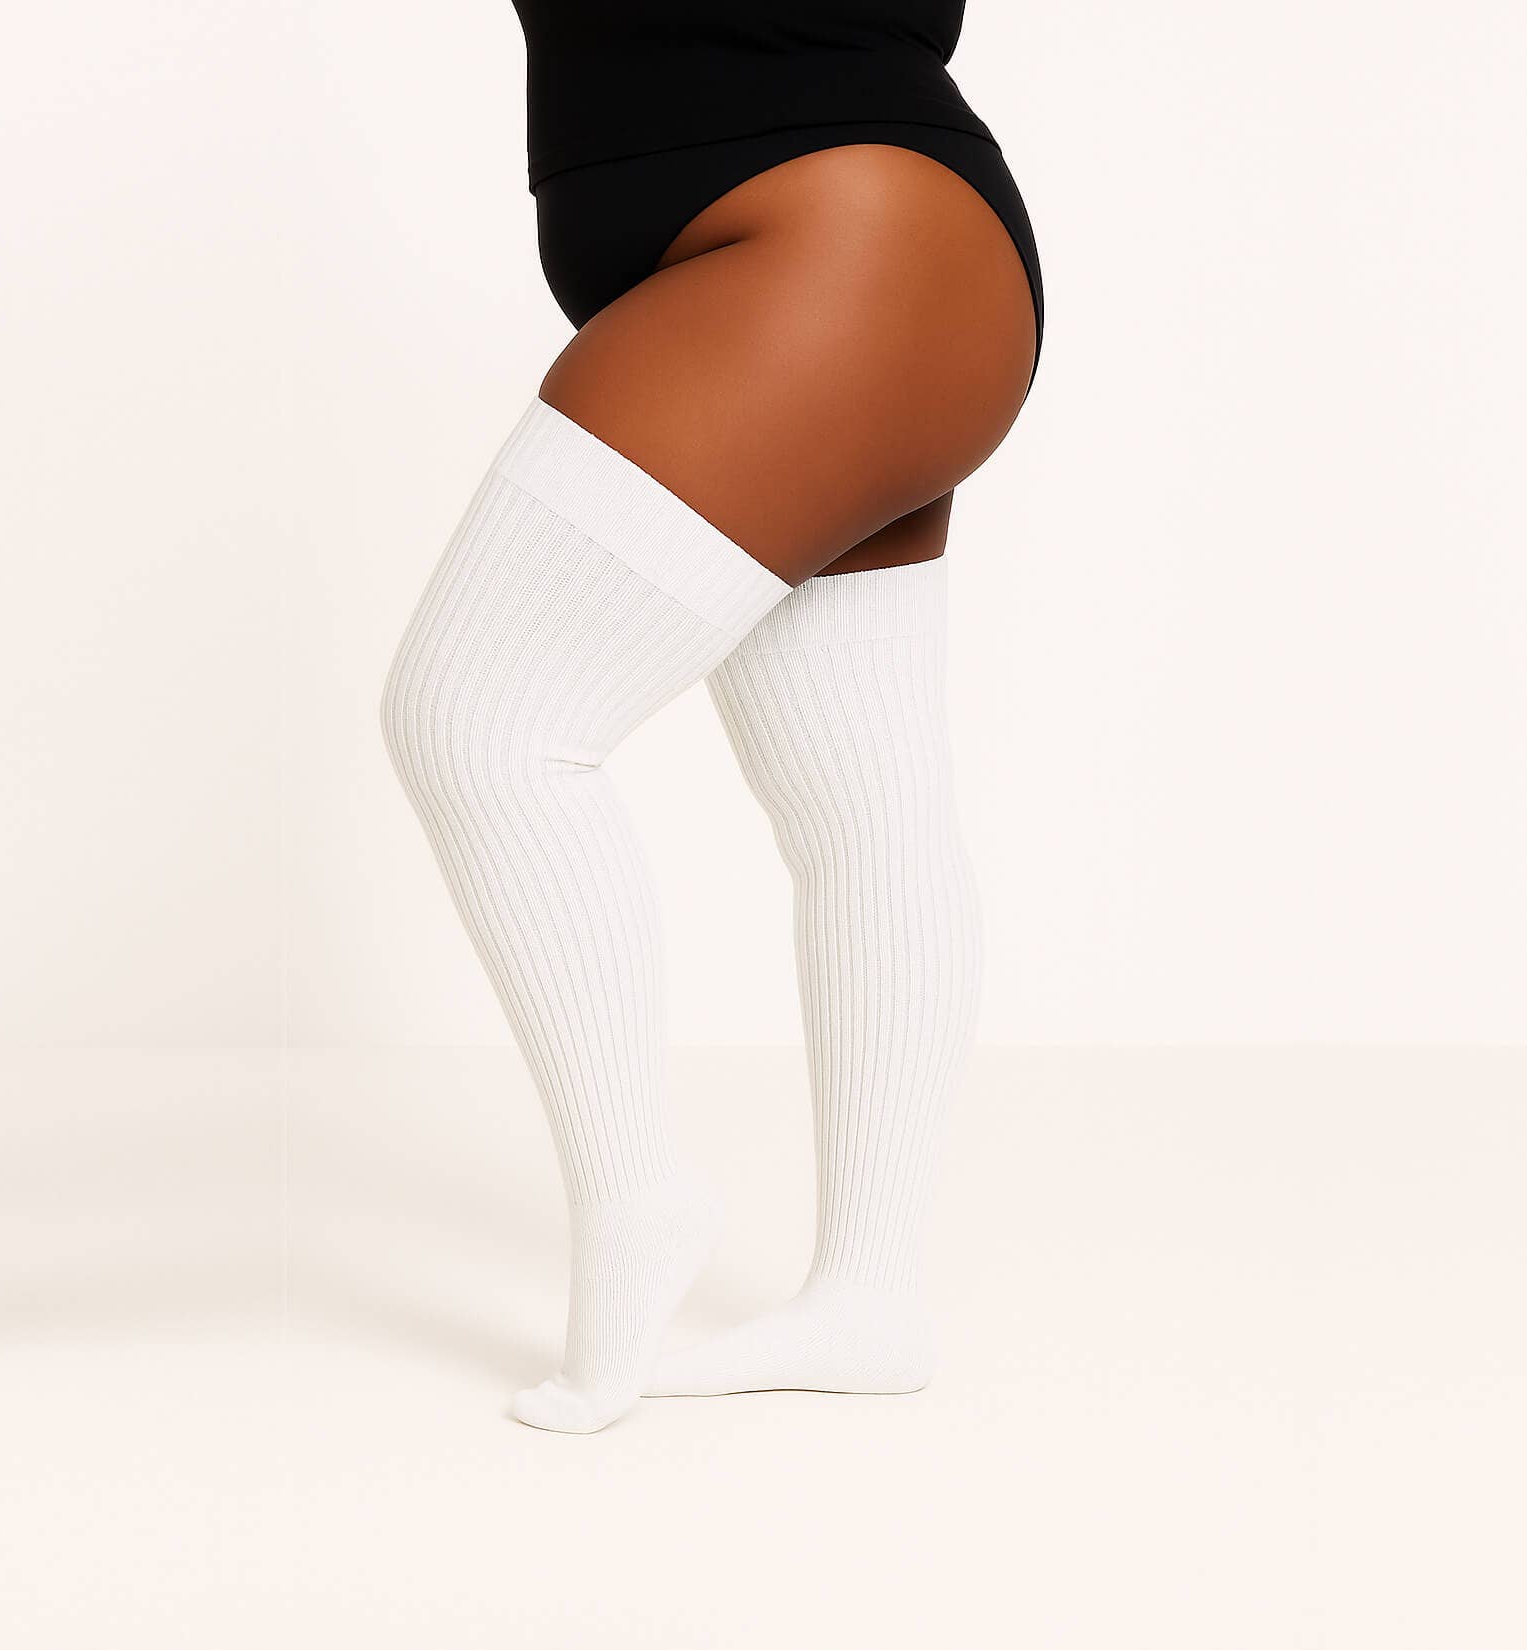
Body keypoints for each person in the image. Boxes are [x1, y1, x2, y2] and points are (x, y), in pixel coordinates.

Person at [381, 1, 1041, 1433]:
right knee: (863, 802)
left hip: (837, 247)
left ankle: (639, 1196)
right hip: (879, 245)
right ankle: (871, 1297)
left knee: (478, 719)